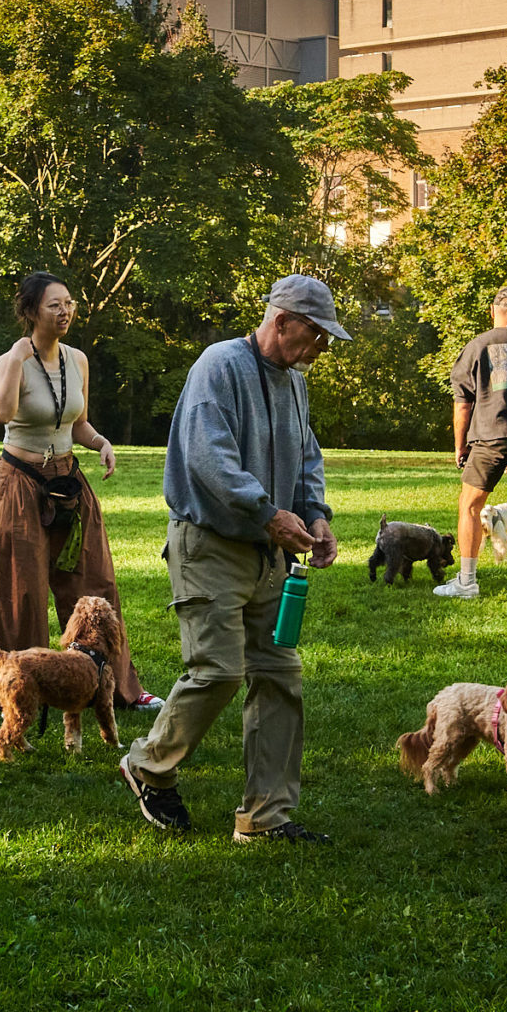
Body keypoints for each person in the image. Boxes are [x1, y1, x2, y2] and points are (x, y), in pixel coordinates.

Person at [121, 275, 344, 844]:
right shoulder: (218, 366)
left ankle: (265, 817)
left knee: (279, 674)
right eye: (316, 336)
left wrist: (314, 512)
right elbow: (208, 459)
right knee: (218, 670)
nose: (321, 348)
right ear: (282, 321)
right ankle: (148, 765)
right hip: (210, 544)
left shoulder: (294, 383)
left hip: (268, 552)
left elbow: (307, 454)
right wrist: (270, 513)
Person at [0, 272, 158, 710]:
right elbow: (1, 412)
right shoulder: (14, 360)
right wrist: (14, 358)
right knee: (20, 589)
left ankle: (117, 688)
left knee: (94, 582)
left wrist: (101, 443)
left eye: (69, 303)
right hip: (21, 483)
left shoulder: (77, 359)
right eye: (54, 306)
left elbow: (76, 422)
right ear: (31, 313)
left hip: (69, 481)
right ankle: (20, 688)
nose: (65, 312)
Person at [436, 285, 507, 601]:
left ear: (492, 311)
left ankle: (467, 582)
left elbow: (462, 403)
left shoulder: (477, 346)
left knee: (470, 505)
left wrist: (460, 445)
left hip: (490, 435)